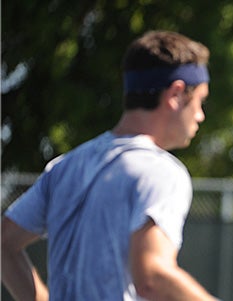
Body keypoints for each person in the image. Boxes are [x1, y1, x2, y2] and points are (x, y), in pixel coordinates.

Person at [1, 30, 218, 300]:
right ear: (175, 94)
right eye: (199, 100)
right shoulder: (161, 172)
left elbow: (4, 243)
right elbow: (151, 277)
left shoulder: (64, 167)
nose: (200, 115)